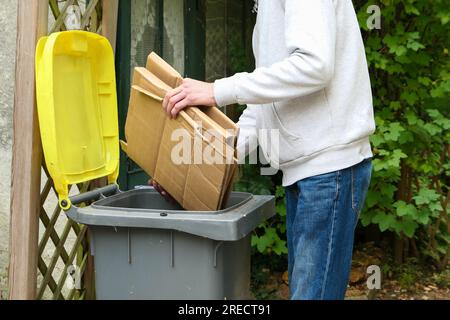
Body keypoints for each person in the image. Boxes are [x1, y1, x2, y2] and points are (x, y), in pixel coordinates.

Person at [153, 0, 375, 300]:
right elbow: (263, 108)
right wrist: (193, 167)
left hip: (328, 169)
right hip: (308, 171)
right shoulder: (266, 8)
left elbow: (315, 65)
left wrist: (217, 90)